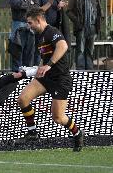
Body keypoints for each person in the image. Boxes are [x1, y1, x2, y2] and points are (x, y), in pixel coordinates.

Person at [16, 8, 84, 152]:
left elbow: (63, 46)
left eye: (30, 23)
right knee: (23, 99)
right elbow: (45, 58)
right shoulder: (39, 36)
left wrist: (48, 65)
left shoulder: (51, 31)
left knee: (58, 118)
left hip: (60, 79)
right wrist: (38, 69)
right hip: (46, 77)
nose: (29, 26)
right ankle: (33, 133)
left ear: (38, 20)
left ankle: (77, 133)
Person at [34, 0, 72, 67]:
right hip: (43, 29)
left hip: (55, 28)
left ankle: (53, 68)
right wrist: (49, 3)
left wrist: (59, 6)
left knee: (54, 49)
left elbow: (56, 9)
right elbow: (37, 11)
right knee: (43, 50)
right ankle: (40, 69)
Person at [67, 0, 102, 70]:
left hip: (93, 27)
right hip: (81, 27)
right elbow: (68, 11)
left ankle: (90, 70)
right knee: (80, 51)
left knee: (90, 50)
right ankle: (81, 70)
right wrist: (77, 21)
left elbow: (99, 10)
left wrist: (100, 20)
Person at [9, 0, 40, 71]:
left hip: (30, 28)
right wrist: (31, 4)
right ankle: (15, 77)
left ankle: (27, 75)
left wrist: (30, 5)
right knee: (17, 52)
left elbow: (37, 7)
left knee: (29, 53)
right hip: (18, 28)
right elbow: (20, 5)